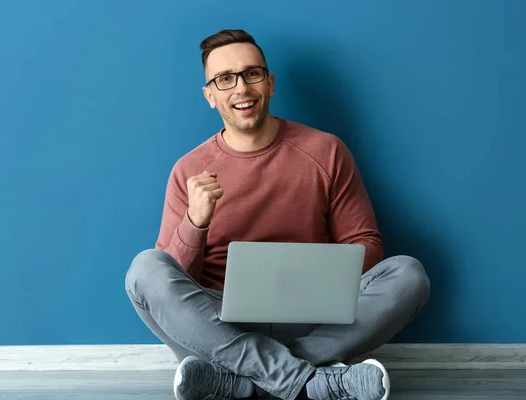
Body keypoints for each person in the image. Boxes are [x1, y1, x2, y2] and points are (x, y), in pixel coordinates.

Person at [125, 29, 431, 400]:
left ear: (269, 83)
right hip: (223, 327)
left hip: (316, 322)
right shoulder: (188, 170)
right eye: (225, 79)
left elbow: (364, 243)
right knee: (144, 269)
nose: (241, 88)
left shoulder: (327, 150)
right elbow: (170, 283)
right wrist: (196, 222)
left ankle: (240, 382)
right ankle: (315, 382)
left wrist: (312, 275)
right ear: (210, 96)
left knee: (408, 274)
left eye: (252, 74)